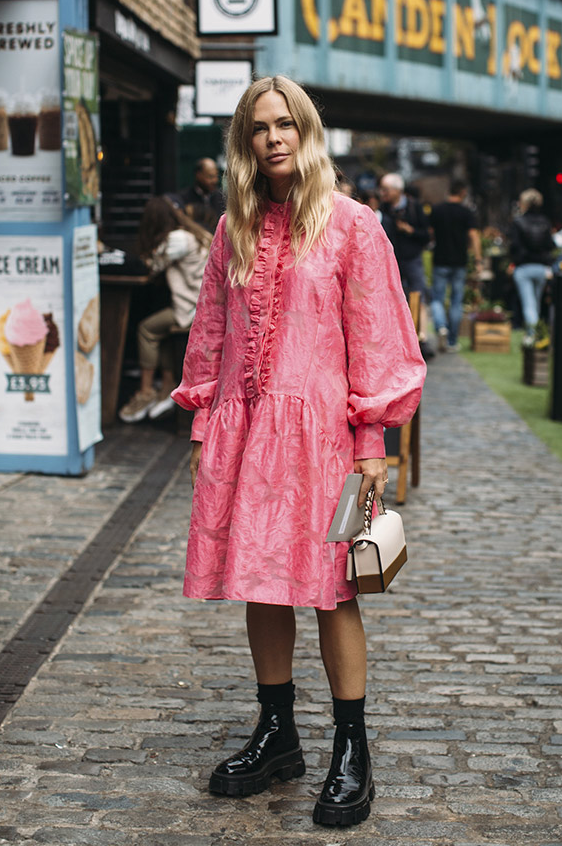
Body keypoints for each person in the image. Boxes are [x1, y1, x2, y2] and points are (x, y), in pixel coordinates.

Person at [171, 76, 426, 827]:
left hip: (324, 437)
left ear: (307, 131)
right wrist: (200, 426)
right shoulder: (231, 229)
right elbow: (210, 335)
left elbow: (377, 336)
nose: (274, 137)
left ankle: (353, 748)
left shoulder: (353, 225)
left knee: (333, 587)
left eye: (286, 124)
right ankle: (277, 733)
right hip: (246, 432)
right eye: (259, 128)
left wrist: (371, 440)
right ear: (244, 142)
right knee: (262, 579)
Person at [118, 198, 210, 423]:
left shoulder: (176, 240)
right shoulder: (189, 233)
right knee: (164, 328)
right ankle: (167, 387)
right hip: (199, 305)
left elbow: (151, 265)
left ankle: (146, 391)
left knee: (146, 329)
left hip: (191, 310)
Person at [379, 173, 433, 358]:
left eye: (386, 190)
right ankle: (395, 340)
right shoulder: (383, 209)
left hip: (412, 258)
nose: (383, 193)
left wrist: (409, 230)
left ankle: (421, 339)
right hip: (390, 259)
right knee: (392, 298)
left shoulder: (414, 207)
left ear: (397, 190)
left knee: (418, 296)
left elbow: (426, 235)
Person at [429, 179, 482, 352]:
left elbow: (429, 234)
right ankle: (452, 341)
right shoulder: (466, 212)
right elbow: (474, 236)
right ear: (462, 192)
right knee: (456, 302)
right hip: (459, 261)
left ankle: (440, 326)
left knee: (437, 298)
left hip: (440, 259)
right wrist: (478, 259)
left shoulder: (437, 210)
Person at [509, 189, 555, 345]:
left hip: (524, 267)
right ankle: (536, 333)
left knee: (529, 304)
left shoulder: (518, 222)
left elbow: (514, 246)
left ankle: (532, 335)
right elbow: (550, 245)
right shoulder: (545, 222)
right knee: (535, 302)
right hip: (541, 267)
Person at [168, 157, 226, 232]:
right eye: (210, 177)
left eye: (216, 176)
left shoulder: (222, 198)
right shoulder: (184, 198)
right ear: (199, 175)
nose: (215, 181)